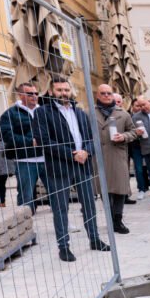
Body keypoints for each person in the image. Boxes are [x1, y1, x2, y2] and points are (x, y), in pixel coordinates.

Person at [34, 75, 110, 262]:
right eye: (59, 90)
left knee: (89, 205)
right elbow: (44, 141)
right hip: (59, 167)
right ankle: (64, 247)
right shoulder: (42, 113)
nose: (64, 93)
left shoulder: (80, 112)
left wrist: (86, 152)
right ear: (51, 92)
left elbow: (91, 138)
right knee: (61, 209)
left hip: (82, 165)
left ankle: (94, 239)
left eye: (66, 90)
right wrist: (71, 154)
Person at [94, 84, 138, 234]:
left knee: (120, 190)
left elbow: (133, 132)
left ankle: (117, 220)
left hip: (118, 156)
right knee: (104, 190)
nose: (106, 95)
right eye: (103, 93)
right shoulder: (89, 113)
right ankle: (110, 218)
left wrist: (124, 136)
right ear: (97, 95)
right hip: (99, 157)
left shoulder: (123, 114)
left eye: (109, 93)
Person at [0, 82, 45, 211]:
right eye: (30, 94)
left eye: (36, 93)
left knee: (58, 192)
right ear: (20, 95)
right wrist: (30, 142)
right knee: (26, 197)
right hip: (25, 161)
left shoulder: (43, 111)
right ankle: (25, 226)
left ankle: (63, 226)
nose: (34, 96)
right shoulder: (10, 114)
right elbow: (7, 136)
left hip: (47, 158)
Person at [130, 97, 150, 207]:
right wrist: (136, 134)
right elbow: (132, 134)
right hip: (148, 149)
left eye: (144, 104)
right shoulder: (136, 117)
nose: (143, 107)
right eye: (140, 106)